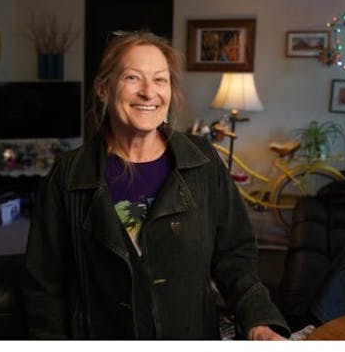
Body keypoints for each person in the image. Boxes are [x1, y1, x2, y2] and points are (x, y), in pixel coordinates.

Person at [24, 31, 289, 339]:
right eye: (133, 78)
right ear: (102, 88)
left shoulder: (202, 163)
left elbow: (236, 256)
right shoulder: (68, 175)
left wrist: (260, 322)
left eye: (160, 80)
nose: (149, 93)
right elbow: (43, 284)